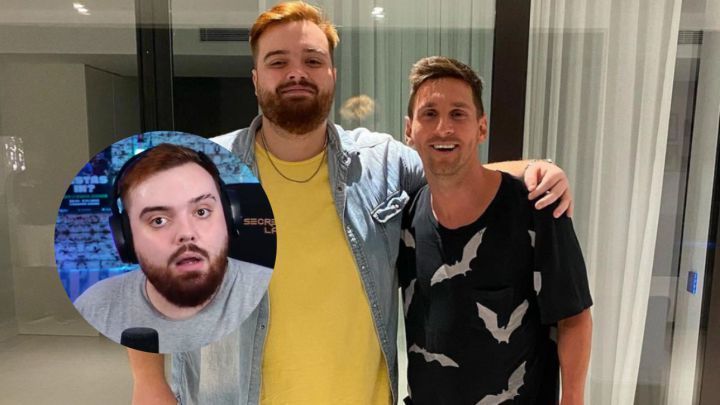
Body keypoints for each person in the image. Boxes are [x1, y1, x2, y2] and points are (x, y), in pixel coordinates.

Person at [128, 2, 575, 404]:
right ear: (256, 78)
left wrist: (535, 168)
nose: (296, 73)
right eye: (278, 61)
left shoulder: (382, 162)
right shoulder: (203, 169)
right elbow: (139, 268)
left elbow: (454, 170)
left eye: (312, 60)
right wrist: (149, 381)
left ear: (332, 74)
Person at [399, 56, 592, 404]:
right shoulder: (407, 218)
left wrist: (574, 398)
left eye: (458, 114)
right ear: (409, 130)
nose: (443, 128)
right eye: (429, 114)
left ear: (481, 127)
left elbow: (574, 316)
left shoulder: (537, 209)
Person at [74, 143, 272, 353]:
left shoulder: (268, 293)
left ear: (229, 217)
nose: (186, 233)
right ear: (126, 237)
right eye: (158, 220)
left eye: (202, 212)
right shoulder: (96, 306)